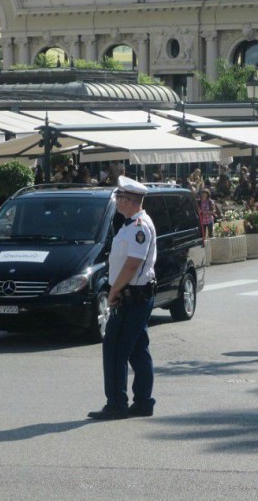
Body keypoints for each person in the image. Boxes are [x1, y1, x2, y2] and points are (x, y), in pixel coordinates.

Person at [88, 176, 158, 420]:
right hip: (133, 295)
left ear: (130, 200)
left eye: (119, 197)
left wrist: (114, 290)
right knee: (138, 349)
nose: (117, 201)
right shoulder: (131, 224)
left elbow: (132, 265)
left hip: (133, 296)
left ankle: (117, 403)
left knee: (116, 348)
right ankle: (143, 402)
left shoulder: (139, 226)